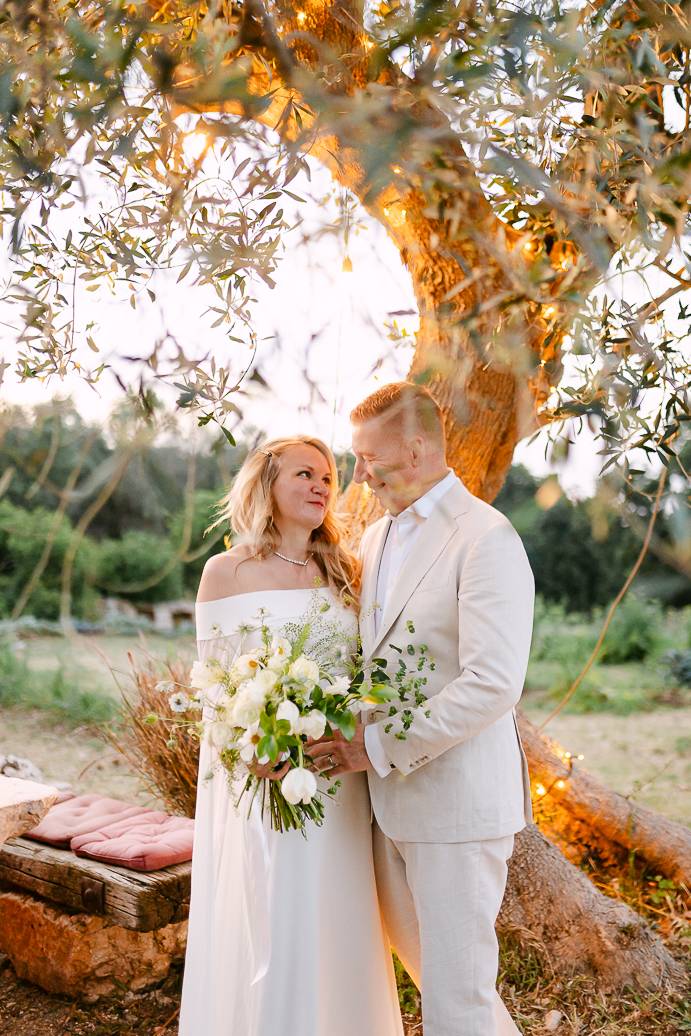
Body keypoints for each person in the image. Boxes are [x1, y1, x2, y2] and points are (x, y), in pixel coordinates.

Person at [309, 382, 534, 1036]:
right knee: (439, 985)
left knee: (456, 1001)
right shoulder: (377, 537)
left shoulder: (485, 538)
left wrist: (375, 748)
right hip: (387, 808)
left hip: (457, 808)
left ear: (413, 449)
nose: (358, 474)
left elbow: (492, 683)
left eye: (367, 457)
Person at [178, 435, 403, 1036]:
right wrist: (252, 749)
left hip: (339, 775)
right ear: (267, 484)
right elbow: (215, 685)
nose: (321, 486)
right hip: (267, 777)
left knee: (340, 909)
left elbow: (366, 673)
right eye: (305, 474)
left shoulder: (346, 571)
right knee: (278, 913)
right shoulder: (226, 572)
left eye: (328, 478)